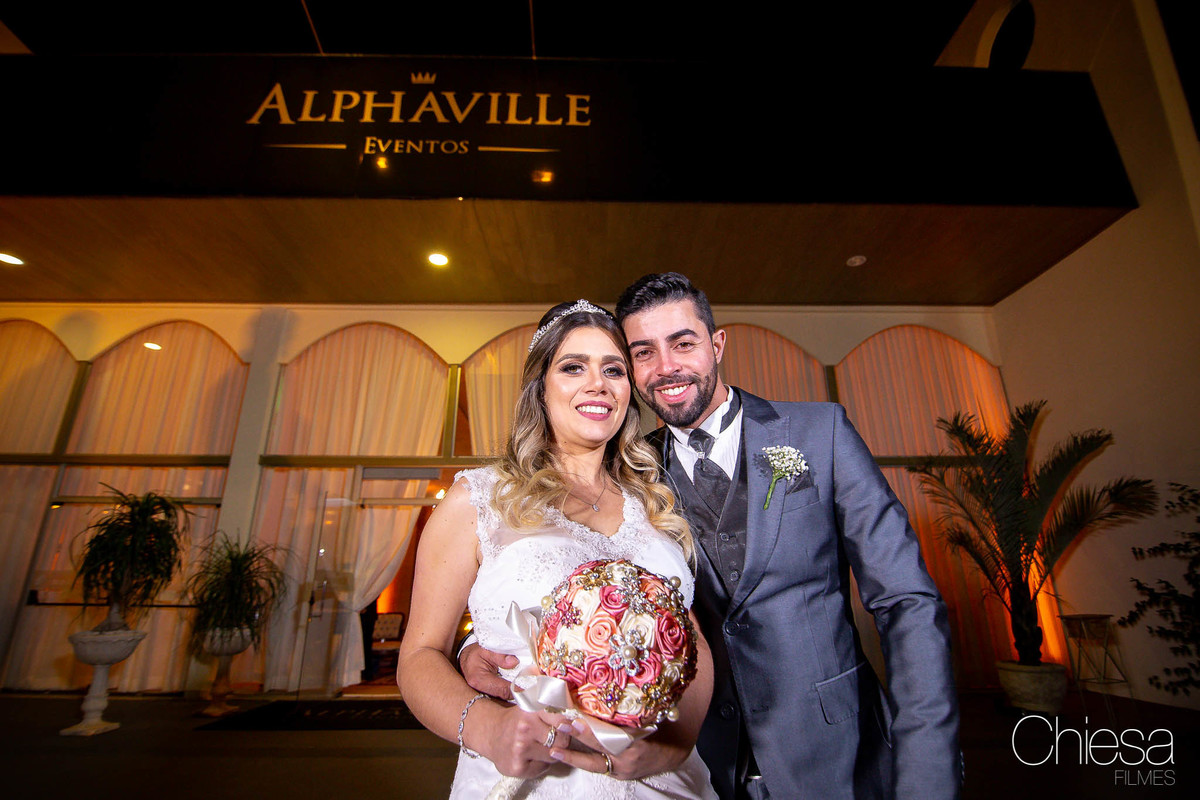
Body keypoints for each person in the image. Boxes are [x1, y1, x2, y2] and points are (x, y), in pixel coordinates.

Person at [464, 275, 961, 799]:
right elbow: (577, 570)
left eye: (683, 343)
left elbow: (907, 602)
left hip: (842, 757)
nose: (666, 367)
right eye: (643, 353)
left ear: (717, 344)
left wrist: (928, 770)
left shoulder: (821, 433)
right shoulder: (630, 474)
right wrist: (486, 644)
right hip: (703, 763)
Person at [397, 299, 719, 799]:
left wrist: (675, 745)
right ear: (540, 387)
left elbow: (689, 639)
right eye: (573, 367)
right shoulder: (479, 499)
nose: (598, 384)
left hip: (665, 781)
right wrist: (488, 728)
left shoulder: (656, 503)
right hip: (534, 777)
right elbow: (419, 655)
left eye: (613, 370)